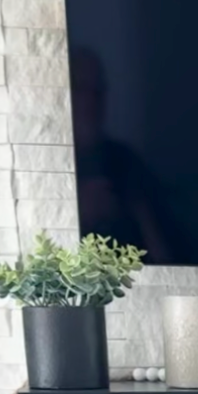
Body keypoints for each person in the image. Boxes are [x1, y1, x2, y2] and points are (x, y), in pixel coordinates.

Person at [69, 47, 174, 261]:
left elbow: (163, 253)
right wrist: (78, 214)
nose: (90, 101)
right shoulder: (45, 165)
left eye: (97, 91)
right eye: (80, 89)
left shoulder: (126, 160)